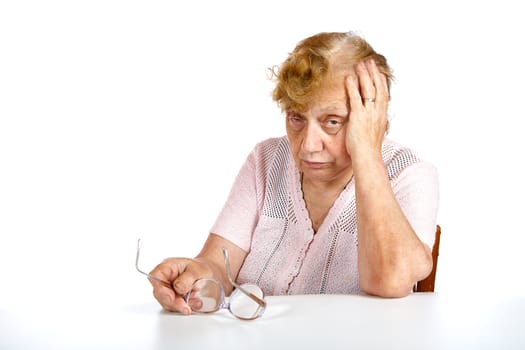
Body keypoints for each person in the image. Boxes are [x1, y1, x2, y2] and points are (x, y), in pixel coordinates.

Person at [148, 31, 439, 314]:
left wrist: (366, 150)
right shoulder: (266, 160)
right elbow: (217, 266)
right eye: (297, 118)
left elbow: (390, 280)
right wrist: (196, 276)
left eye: (333, 122)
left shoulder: (410, 175)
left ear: (372, 117)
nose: (308, 146)